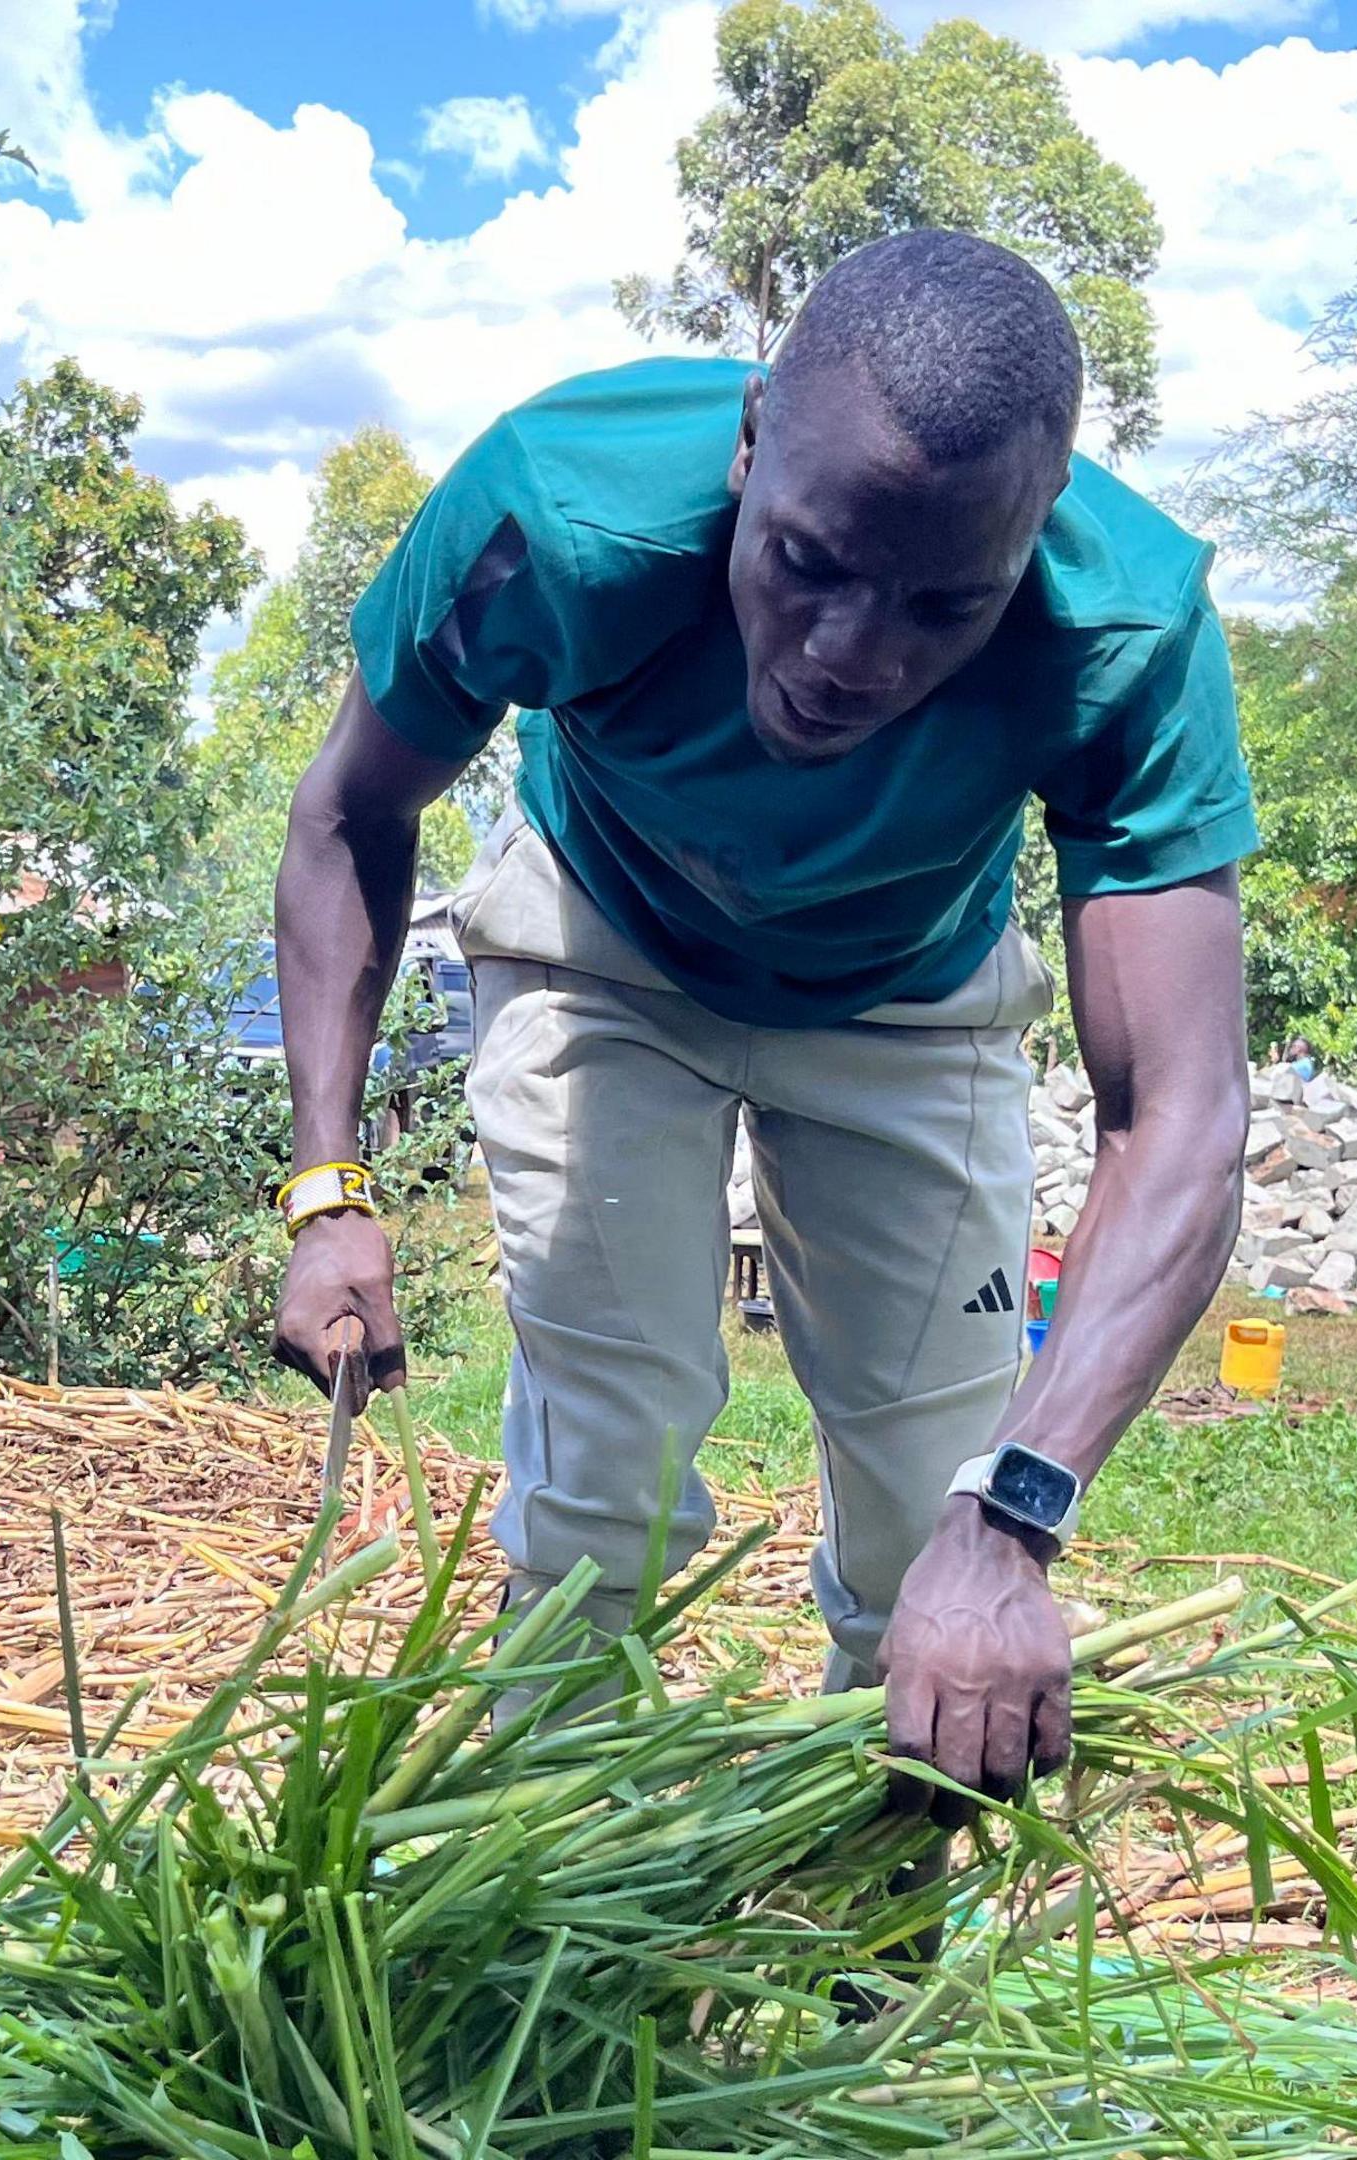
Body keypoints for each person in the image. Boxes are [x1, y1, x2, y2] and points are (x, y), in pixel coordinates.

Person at [269, 231, 1254, 1812]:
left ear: (1036, 542)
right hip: (606, 950)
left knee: (924, 1518)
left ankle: (876, 1973)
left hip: (910, 1000)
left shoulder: (1123, 632)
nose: (852, 658)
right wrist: (328, 1194)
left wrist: (1012, 1524)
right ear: (747, 445)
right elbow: (345, 818)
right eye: (805, 563)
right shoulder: (558, 514)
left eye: (948, 606)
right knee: (603, 1489)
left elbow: (1184, 1117)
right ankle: (552, 1937)